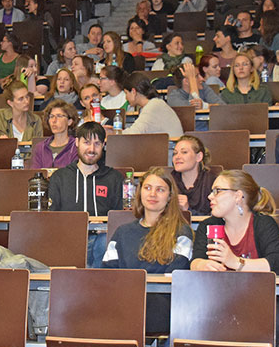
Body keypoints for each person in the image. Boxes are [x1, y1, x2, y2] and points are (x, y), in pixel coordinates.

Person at [191, 170, 279, 342]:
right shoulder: (209, 225)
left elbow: (278, 264)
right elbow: (195, 260)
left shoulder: (263, 223)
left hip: (262, 300)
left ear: (238, 196)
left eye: (217, 191)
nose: (210, 197)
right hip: (220, 301)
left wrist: (235, 262)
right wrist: (201, 265)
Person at [102, 167, 193, 335]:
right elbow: (109, 272)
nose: (152, 194)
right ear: (139, 192)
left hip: (162, 304)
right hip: (124, 300)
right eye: (148, 188)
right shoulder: (122, 232)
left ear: (169, 197)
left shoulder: (181, 232)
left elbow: (174, 275)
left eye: (160, 190)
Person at [49, 122, 124, 267]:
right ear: (76, 142)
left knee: (105, 241)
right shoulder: (60, 177)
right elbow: (52, 218)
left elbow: (120, 217)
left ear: (103, 145)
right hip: (69, 240)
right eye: (86, 142)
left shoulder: (114, 178)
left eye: (97, 143)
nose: (91, 149)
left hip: (102, 240)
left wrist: (103, 227)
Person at [122, 72, 183, 137]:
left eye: (126, 93)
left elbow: (134, 133)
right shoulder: (152, 104)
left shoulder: (153, 106)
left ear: (133, 92)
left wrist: (113, 132)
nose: (126, 97)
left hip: (171, 145)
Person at [171, 135, 217, 215]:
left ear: (199, 157)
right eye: (175, 153)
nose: (177, 157)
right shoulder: (168, 182)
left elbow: (216, 218)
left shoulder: (212, 182)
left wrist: (188, 210)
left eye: (184, 152)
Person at [31, 100, 78, 169]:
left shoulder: (76, 146)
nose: (54, 120)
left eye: (59, 116)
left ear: (69, 121)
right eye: (51, 116)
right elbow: (34, 173)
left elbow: (74, 174)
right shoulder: (40, 147)